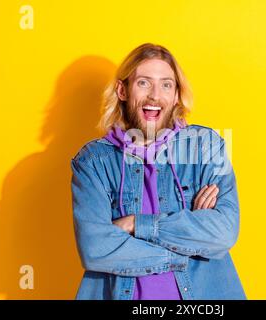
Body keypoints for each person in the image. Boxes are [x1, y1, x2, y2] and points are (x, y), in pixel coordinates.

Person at [70, 43, 246, 300]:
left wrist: (135, 225)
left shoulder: (205, 146)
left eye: (166, 84)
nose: (155, 95)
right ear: (123, 90)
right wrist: (187, 242)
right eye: (143, 83)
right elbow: (95, 247)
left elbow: (224, 232)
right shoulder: (94, 161)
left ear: (176, 95)